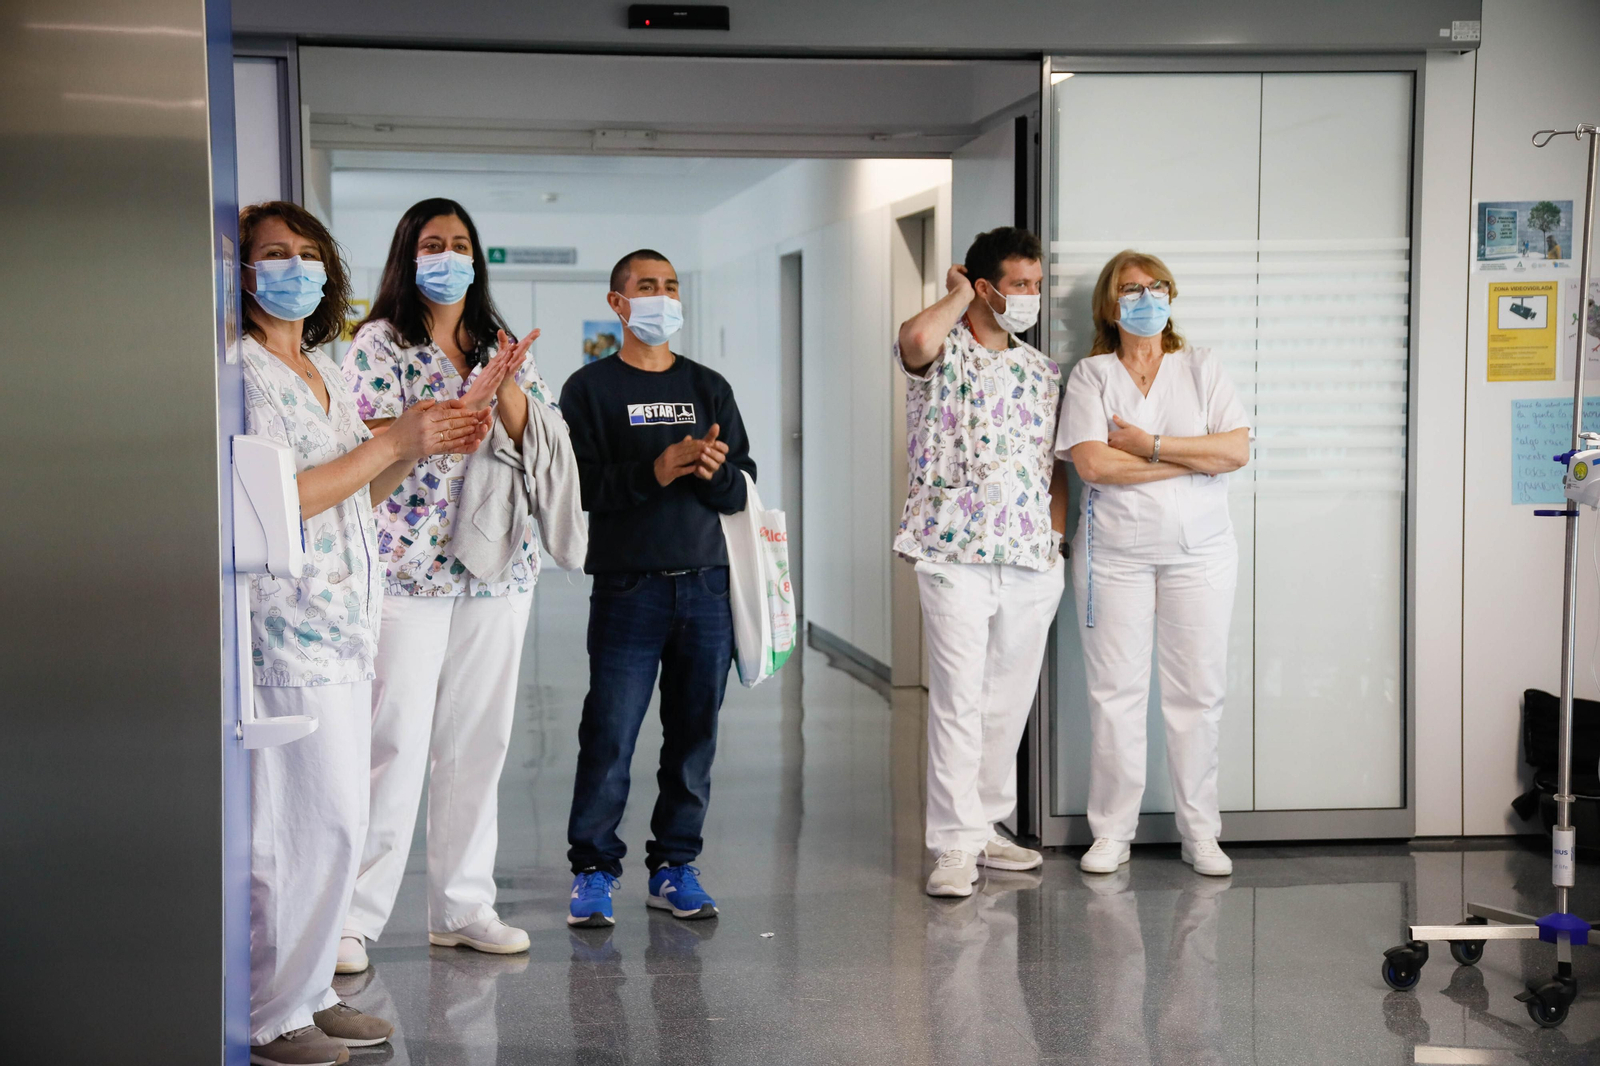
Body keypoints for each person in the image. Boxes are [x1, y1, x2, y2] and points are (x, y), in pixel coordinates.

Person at [238, 201, 494, 1066]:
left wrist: (413, 449)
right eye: (275, 255)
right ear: (241, 272)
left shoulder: (317, 367)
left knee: (337, 823)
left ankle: (312, 992)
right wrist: (396, 442)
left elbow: (359, 495)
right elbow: (282, 502)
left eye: (308, 256)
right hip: (288, 632)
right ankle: (273, 1013)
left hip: (345, 627)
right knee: (297, 827)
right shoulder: (245, 374)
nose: (295, 270)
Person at [337, 198, 555, 972]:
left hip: (497, 567)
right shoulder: (379, 343)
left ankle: (463, 907)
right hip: (407, 565)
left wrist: (505, 388)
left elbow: (545, 442)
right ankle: (352, 920)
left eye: (461, 244)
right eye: (434, 244)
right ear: (408, 254)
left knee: (478, 741)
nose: (449, 256)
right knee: (393, 741)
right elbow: (358, 441)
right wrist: (432, 422)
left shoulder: (501, 342)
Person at [560, 249, 755, 927]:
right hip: (627, 589)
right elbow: (578, 489)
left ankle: (674, 866)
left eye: (671, 286)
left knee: (694, 735)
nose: (663, 297)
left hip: (707, 589)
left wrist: (711, 471)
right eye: (648, 287)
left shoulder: (709, 386)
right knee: (610, 733)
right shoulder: (588, 391)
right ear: (618, 303)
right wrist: (659, 468)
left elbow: (743, 487)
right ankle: (592, 871)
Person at [1056, 249, 1252, 878]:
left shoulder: (1201, 367)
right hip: (1114, 557)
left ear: (1172, 295)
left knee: (1198, 694)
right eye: (1130, 288)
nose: (1145, 297)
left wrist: (1147, 445)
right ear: (1110, 305)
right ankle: (1113, 833)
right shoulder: (1092, 376)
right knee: (1114, 695)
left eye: (1155, 286)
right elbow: (1091, 465)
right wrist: (1185, 461)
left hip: (1201, 556)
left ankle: (1201, 833)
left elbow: (1236, 451)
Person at [893, 226, 1068, 899]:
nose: (1027, 296)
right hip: (952, 552)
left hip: (1028, 556)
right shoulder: (941, 353)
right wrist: (958, 294)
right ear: (982, 282)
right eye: (1015, 284)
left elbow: (1053, 467)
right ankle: (953, 845)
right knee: (960, 699)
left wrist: (1053, 543)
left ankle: (985, 824)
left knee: (1007, 701)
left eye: (1034, 284)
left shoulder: (1039, 369)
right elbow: (914, 340)